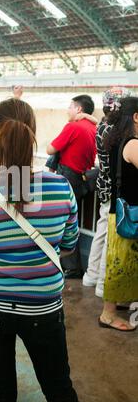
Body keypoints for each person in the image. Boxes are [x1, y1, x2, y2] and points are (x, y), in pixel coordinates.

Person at [0, 98, 81, 402]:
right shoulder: (60, 188)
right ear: (32, 134)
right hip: (43, 308)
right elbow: (68, 246)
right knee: (59, 388)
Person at [83, 87, 131, 297]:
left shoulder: (102, 125)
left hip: (104, 184)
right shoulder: (119, 131)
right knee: (111, 236)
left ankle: (91, 275)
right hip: (116, 188)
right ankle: (103, 283)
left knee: (101, 232)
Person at [46, 94, 97, 278]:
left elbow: (50, 149)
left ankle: (72, 267)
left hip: (67, 178)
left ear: (79, 109)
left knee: (62, 221)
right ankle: (71, 265)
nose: (68, 110)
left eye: (70, 106)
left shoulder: (73, 126)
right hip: (83, 179)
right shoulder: (93, 128)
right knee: (72, 220)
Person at [99, 96, 138, 331]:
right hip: (130, 213)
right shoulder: (133, 144)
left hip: (120, 211)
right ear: (135, 117)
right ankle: (108, 315)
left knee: (122, 262)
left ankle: (119, 304)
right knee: (120, 263)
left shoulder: (116, 139)